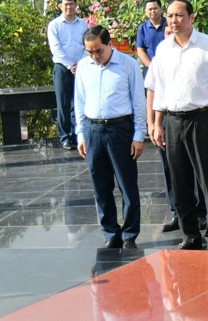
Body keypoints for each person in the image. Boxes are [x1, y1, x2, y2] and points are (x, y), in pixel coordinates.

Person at [149, 0, 208, 250]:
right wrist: (157, 123)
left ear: (192, 17)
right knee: (178, 181)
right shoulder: (163, 49)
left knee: (207, 179)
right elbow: (159, 88)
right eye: (170, 15)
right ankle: (190, 235)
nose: (174, 20)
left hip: (201, 119)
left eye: (179, 15)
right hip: (172, 120)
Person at [74, 25, 146, 249]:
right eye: (89, 52)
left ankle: (129, 234)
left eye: (98, 51)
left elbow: (138, 102)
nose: (94, 56)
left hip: (120, 129)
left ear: (109, 44)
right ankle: (110, 232)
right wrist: (80, 133)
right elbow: (79, 102)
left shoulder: (128, 65)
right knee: (100, 185)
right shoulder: (84, 67)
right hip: (93, 130)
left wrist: (138, 135)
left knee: (127, 185)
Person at [48, 0, 88, 150]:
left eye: (71, 4)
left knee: (78, 102)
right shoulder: (54, 25)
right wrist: (69, 64)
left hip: (80, 67)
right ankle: (65, 137)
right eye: (66, 5)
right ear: (60, 6)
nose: (69, 7)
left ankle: (78, 135)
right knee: (63, 103)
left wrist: (80, 64)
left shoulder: (83, 24)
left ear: (76, 5)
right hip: (62, 68)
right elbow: (55, 48)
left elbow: (86, 45)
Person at [135, 0, 165, 72]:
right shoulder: (142, 28)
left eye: (155, 8)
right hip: (150, 69)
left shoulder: (170, 25)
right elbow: (140, 50)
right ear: (145, 12)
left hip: (169, 69)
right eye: (150, 9)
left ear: (161, 9)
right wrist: (151, 67)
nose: (153, 11)